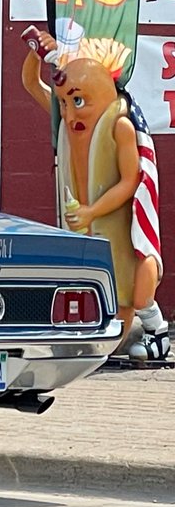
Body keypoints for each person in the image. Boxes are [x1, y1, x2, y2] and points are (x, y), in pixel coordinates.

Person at [21, 26, 168, 361]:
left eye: (77, 101)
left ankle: (156, 331)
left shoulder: (120, 125)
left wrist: (92, 211)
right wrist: (35, 52)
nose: (69, 112)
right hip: (84, 226)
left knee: (132, 285)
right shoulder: (69, 122)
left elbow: (131, 181)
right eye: (63, 102)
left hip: (116, 224)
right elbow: (31, 85)